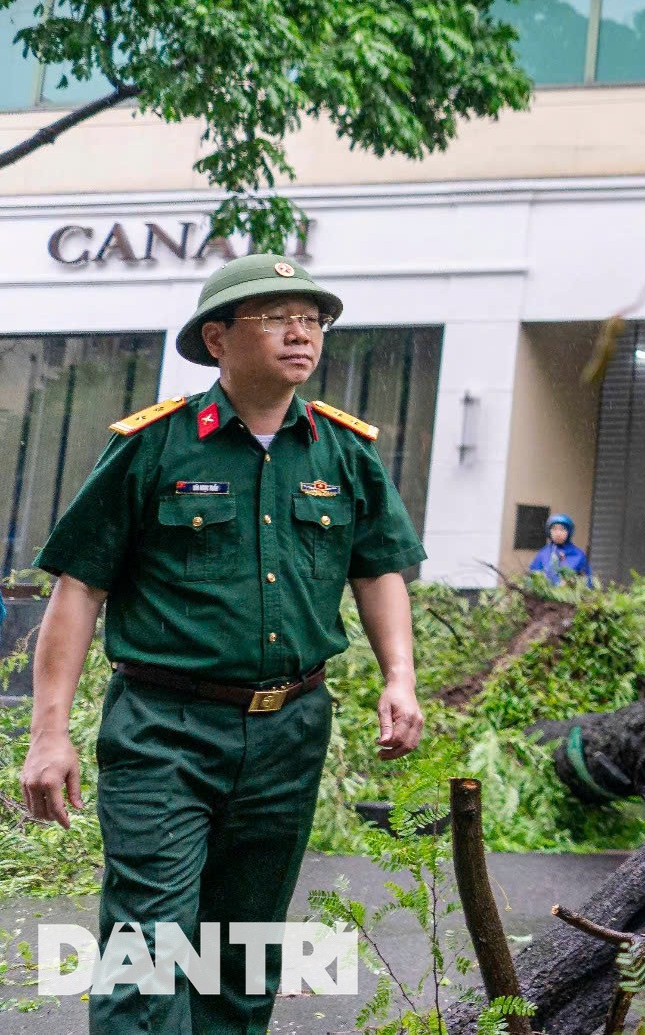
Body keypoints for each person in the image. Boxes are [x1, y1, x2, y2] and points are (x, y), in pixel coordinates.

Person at [16, 253, 428, 1035]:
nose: (300, 332)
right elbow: (79, 587)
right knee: (150, 943)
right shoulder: (155, 447)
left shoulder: (343, 453)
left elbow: (379, 572)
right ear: (217, 339)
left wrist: (398, 679)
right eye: (275, 317)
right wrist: (48, 734)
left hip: (289, 730)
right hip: (164, 728)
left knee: (243, 951)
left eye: (312, 318)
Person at [527, 512, 594, 584]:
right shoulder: (543, 553)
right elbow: (532, 578)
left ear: (569, 532)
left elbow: (587, 582)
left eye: (562, 529)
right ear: (549, 531)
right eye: (554, 529)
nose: (558, 533)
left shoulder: (578, 555)